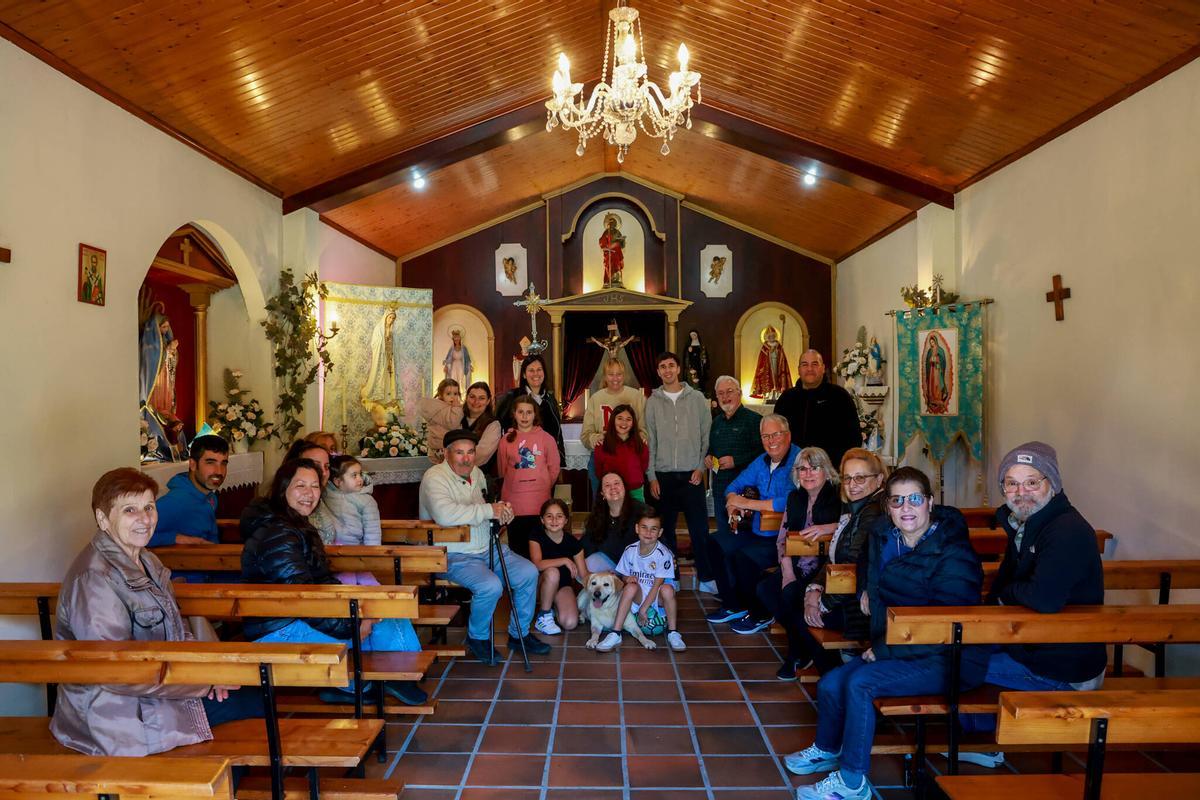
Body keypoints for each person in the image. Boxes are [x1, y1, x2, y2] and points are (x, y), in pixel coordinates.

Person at [785, 467, 985, 800]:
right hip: (892, 643)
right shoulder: (883, 534)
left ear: (930, 503)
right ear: (887, 506)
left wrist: (884, 652)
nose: (906, 508)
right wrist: (865, 589)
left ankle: (852, 783)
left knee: (861, 684)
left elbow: (946, 625)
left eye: (915, 499)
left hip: (946, 656)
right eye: (897, 501)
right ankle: (828, 748)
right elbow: (866, 563)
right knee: (832, 683)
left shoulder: (953, 554)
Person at [52, 468, 261, 757]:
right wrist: (205, 682)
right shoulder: (95, 579)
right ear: (103, 519)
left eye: (149, 507)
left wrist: (209, 672)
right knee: (251, 707)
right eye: (130, 510)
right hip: (117, 717)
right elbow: (117, 671)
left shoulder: (146, 559)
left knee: (253, 697)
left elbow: (177, 631)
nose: (144, 518)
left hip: (159, 695)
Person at [955, 442, 1106, 769]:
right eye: (1011, 483)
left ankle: (986, 741)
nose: (1021, 492)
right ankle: (982, 730)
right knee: (962, 645)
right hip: (1036, 645)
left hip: (1065, 667)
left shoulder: (1065, 531)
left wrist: (1007, 593)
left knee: (952, 661)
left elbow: (1042, 598)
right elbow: (1005, 585)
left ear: (1052, 483)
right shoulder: (1026, 523)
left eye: (1032, 482)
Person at [240, 458, 427, 707]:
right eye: (300, 486)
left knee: (382, 611)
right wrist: (349, 626)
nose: (309, 494)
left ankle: (371, 682)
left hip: (291, 617)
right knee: (381, 622)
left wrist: (357, 603)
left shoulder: (292, 524)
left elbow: (320, 581)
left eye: (315, 486)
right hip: (278, 629)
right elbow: (302, 598)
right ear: (282, 488)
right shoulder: (279, 533)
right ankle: (386, 679)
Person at [418, 429, 550, 665]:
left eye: (470, 452)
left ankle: (518, 633)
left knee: (529, 573)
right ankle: (477, 637)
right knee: (490, 586)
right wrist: (490, 511)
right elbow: (445, 514)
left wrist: (501, 512)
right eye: (459, 453)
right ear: (445, 454)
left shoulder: (476, 473)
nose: (466, 458)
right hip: (452, 554)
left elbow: (481, 508)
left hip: (487, 547)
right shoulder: (434, 477)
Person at [763, 448, 882, 679]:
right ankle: (814, 661)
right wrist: (792, 573)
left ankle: (811, 661)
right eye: (802, 469)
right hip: (821, 575)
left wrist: (818, 600)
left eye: (814, 468)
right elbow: (784, 537)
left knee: (794, 602)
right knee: (767, 589)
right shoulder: (799, 498)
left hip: (845, 591)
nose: (853, 484)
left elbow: (848, 563)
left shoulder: (852, 504)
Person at [704, 415, 801, 631]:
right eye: (765, 436)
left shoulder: (800, 460)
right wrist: (732, 503)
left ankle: (761, 613)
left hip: (783, 536)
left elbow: (791, 501)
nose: (771, 440)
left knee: (744, 557)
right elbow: (733, 486)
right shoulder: (762, 460)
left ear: (788, 435)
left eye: (776, 434)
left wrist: (748, 502)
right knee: (715, 543)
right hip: (757, 529)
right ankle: (733, 605)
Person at [644, 351, 711, 565]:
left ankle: (706, 575)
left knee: (699, 527)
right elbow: (650, 440)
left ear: (679, 368)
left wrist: (701, 467)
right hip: (663, 475)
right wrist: (651, 475)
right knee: (665, 529)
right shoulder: (652, 402)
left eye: (671, 365)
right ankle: (668, 575)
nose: (667, 370)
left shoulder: (697, 398)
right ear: (658, 371)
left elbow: (705, 436)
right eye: (662, 366)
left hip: (692, 472)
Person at [595, 510, 686, 653]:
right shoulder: (630, 550)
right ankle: (615, 633)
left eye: (653, 529)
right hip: (639, 593)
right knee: (630, 588)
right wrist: (627, 579)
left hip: (658, 594)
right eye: (644, 527)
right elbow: (623, 575)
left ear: (660, 532)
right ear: (637, 528)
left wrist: (643, 609)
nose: (648, 532)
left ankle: (673, 632)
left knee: (667, 589)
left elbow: (657, 585)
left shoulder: (664, 554)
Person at [705, 375, 764, 592]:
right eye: (720, 393)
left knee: (742, 541)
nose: (725, 396)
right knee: (724, 539)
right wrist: (709, 457)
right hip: (721, 490)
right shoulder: (717, 422)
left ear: (739, 393)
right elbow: (713, 449)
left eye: (729, 391)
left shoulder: (754, 420)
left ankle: (744, 588)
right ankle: (728, 587)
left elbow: (762, 454)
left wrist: (736, 460)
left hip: (745, 495)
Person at [773, 349, 862, 470]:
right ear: (799, 369)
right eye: (805, 364)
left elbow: (854, 437)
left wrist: (836, 465)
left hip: (829, 469)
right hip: (792, 469)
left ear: (823, 368)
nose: (809, 369)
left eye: (815, 364)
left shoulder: (839, 396)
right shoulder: (786, 398)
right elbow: (776, 435)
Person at [496, 395, 561, 559]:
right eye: (521, 412)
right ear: (514, 414)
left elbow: (553, 470)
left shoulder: (547, 439)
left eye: (529, 412)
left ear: (535, 415)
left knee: (538, 550)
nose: (524, 417)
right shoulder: (506, 440)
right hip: (514, 505)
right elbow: (502, 470)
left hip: (539, 502)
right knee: (518, 551)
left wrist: (542, 484)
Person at [149, 434, 230, 547]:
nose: (219, 471)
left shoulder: (210, 497)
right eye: (210, 462)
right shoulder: (175, 502)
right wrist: (176, 538)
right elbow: (132, 535)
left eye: (223, 463)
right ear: (192, 464)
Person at [239, 440, 330, 541]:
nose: (323, 473)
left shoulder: (312, 503)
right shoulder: (280, 530)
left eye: (326, 466)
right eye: (301, 485)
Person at [314, 455, 382, 586]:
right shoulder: (326, 494)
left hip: (356, 550)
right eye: (354, 475)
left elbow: (372, 528)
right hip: (331, 550)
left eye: (360, 474)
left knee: (367, 582)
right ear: (338, 482)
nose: (360, 479)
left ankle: (376, 601)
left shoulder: (367, 500)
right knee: (345, 579)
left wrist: (372, 553)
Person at [529, 498, 587, 635]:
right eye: (549, 516)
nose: (554, 520)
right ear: (542, 520)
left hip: (563, 586)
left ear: (566, 520)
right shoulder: (536, 536)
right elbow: (537, 564)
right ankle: (543, 616)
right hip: (541, 584)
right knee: (553, 572)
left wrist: (604, 576)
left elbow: (584, 575)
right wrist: (564, 560)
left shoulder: (573, 542)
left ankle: (554, 606)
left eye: (559, 516)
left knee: (570, 623)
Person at [497, 354, 565, 462]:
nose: (536, 374)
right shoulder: (513, 397)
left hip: (548, 458)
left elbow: (557, 432)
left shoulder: (550, 399)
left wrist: (561, 458)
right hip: (521, 458)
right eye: (531, 370)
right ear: (524, 374)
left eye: (539, 370)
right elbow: (499, 426)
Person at [581, 472, 645, 573]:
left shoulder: (641, 511)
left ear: (624, 488)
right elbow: (586, 544)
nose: (613, 488)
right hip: (611, 563)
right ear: (602, 493)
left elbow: (657, 539)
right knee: (584, 565)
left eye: (617, 483)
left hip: (637, 564)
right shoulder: (598, 514)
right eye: (607, 485)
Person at [581, 358, 645, 450]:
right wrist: (596, 439)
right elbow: (586, 435)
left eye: (619, 374)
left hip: (630, 453)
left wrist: (639, 438)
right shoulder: (595, 399)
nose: (615, 378)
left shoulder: (637, 397)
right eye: (611, 374)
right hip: (602, 453)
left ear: (624, 375)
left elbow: (645, 429)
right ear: (605, 376)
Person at [593, 404, 650, 501]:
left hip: (635, 491)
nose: (624, 423)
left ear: (633, 423)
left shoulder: (640, 444)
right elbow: (599, 472)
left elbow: (643, 467)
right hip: (613, 492)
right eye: (620, 418)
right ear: (613, 420)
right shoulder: (602, 445)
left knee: (638, 516)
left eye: (628, 419)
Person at [459, 381, 503, 478]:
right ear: (466, 398)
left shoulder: (493, 425)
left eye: (481, 398)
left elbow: (481, 455)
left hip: (479, 478)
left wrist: (456, 463)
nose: (476, 402)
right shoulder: (458, 419)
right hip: (454, 477)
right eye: (472, 397)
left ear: (488, 401)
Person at [420, 378, 462, 464]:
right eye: (448, 394)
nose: (452, 397)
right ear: (441, 395)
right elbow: (453, 423)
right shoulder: (443, 409)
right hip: (444, 447)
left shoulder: (435, 408)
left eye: (455, 394)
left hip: (436, 448)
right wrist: (457, 408)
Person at [751, 325, 791, 400]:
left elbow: (782, 356)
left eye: (773, 335)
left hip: (777, 364)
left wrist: (777, 351)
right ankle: (769, 394)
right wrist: (770, 352)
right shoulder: (765, 346)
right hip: (768, 366)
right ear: (767, 337)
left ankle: (777, 394)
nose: (771, 337)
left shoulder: (778, 345)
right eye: (770, 336)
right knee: (770, 379)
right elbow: (762, 358)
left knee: (776, 377)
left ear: (775, 336)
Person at [599, 212, 626, 286]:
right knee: (609, 265)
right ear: (608, 224)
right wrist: (608, 245)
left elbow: (622, 246)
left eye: (613, 223)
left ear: (615, 224)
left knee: (617, 266)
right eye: (610, 223)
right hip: (609, 253)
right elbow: (602, 242)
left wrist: (622, 240)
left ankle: (617, 280)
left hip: (617, 253)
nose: (612, 224)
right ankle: (608, 280)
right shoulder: (606, 232)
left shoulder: (618, 232)